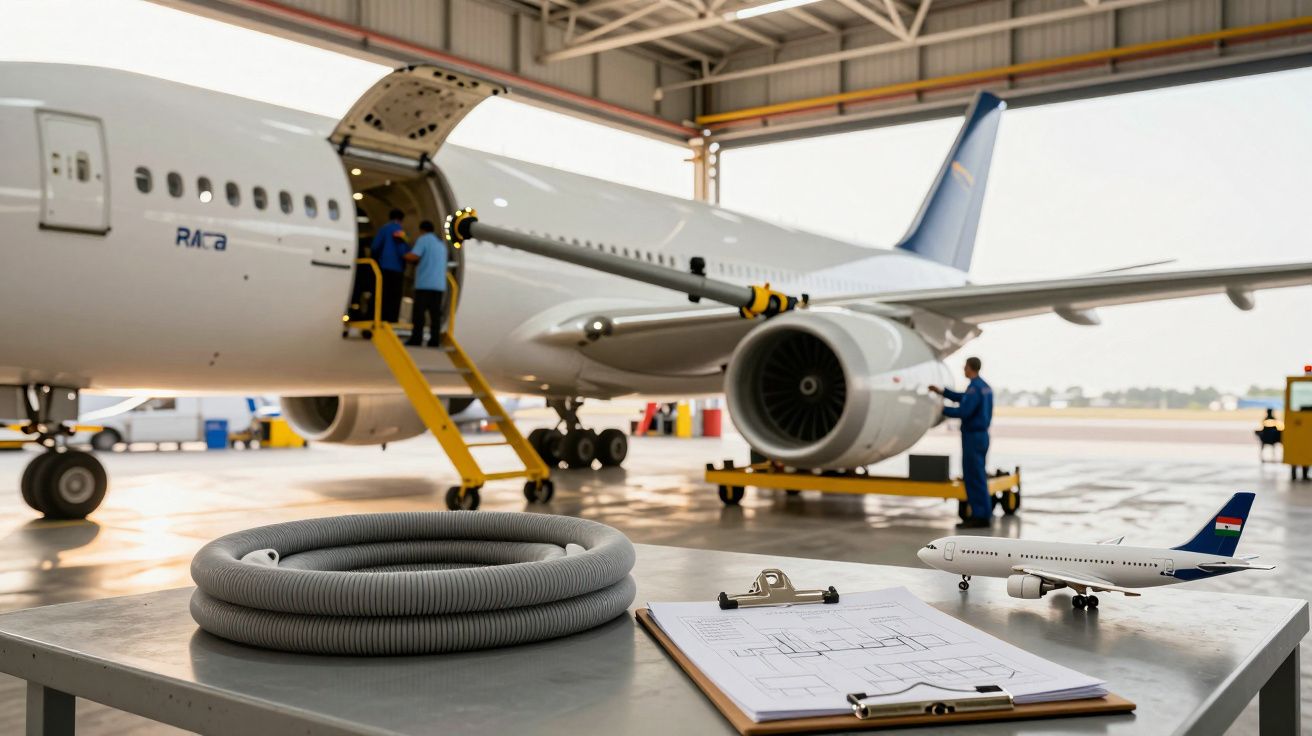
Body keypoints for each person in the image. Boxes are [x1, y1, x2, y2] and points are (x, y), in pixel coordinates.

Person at [930, 356, 994, 529]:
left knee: (973, 477)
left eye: (965, 367)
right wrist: (942, 392)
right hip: (981, 436)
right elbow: (963, 397)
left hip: (973, 437)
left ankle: (979, 516)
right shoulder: (984, 386)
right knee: (978, 475)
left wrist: (942, 409)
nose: (963, 370)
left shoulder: (974, 388)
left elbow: (964, 410)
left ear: (970, 368)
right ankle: (983, 513)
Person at [403, 220, 448, 347]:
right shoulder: (441, 244)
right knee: (435, 315)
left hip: (425, 284)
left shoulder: (423, 240)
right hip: (439, 285)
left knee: (419, 314)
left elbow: (414, 256)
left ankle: (416, 339)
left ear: (421, 230)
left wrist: (402, 255)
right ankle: (434, 341)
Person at [370, 209, 409, 323]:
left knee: (380, 294)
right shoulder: (402, 232)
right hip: (398, 270)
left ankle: (376, 318)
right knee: (394, 298)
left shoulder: (384, 229)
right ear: (401, 220)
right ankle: (391, 320)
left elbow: (375, 247)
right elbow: (405, 251)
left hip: (383, 268)